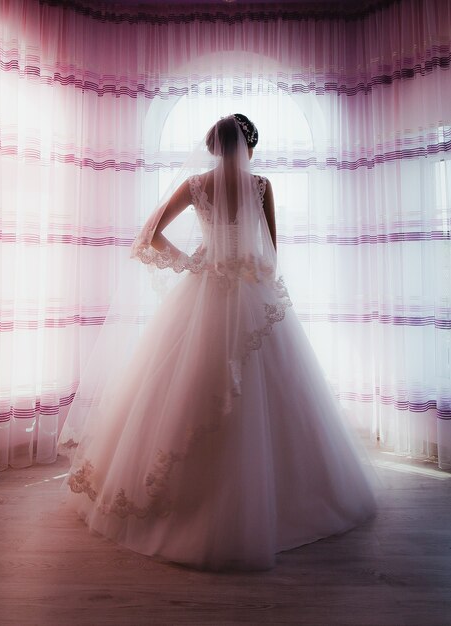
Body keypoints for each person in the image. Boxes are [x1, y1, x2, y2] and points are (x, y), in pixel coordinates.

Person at [58, 114, 378, 571]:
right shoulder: (262, 185)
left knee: (183, 383)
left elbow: (148, 236)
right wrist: (247, 273)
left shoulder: (195, 185)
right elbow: (270, 250)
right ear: (248, 146)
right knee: (268, 386)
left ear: (212, 146)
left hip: (206, 291)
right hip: (253, 295)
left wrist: (193, 262)